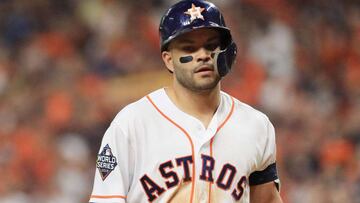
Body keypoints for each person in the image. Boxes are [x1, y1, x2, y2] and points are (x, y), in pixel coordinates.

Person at [89, 0, 283, 202]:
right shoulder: (132, 124)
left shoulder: (256, 126)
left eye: (211, 46)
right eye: (189, 48)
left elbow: (267, 199)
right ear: (168, 60)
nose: (203, 56)